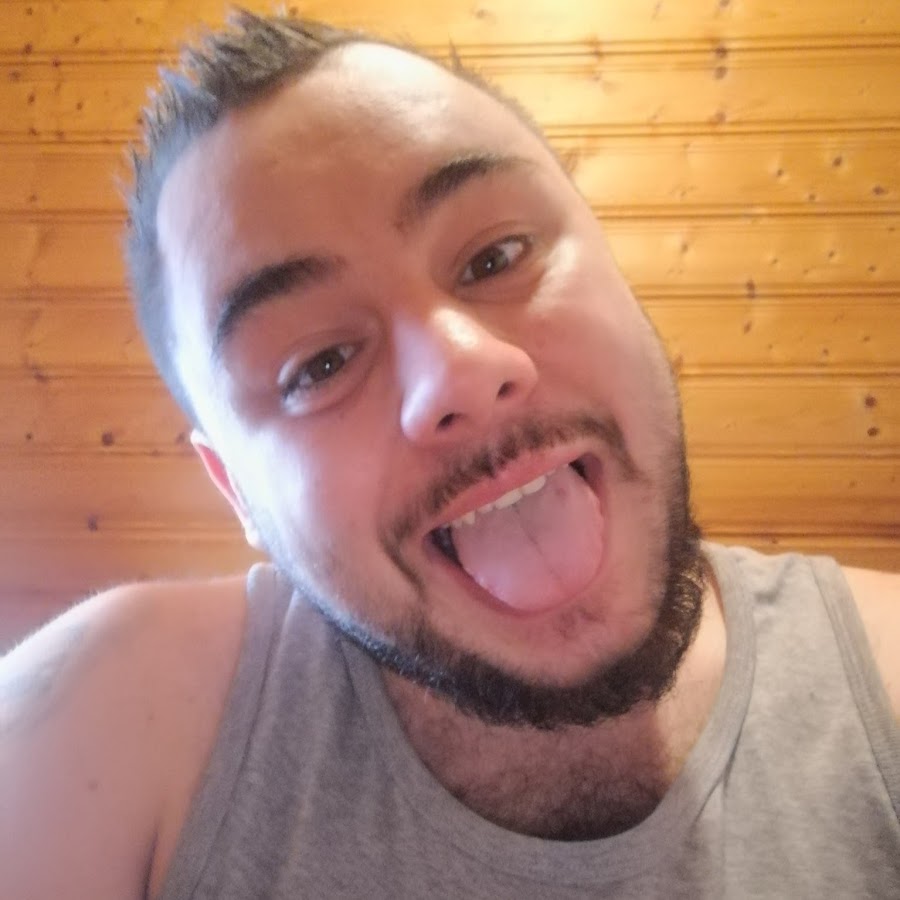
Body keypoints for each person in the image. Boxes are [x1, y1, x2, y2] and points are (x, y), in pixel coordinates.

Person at [2, 10, 898, 898]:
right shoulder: (103, 729)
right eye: (320, 365)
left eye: (496, 257)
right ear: (239, 493)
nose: (460, 374)